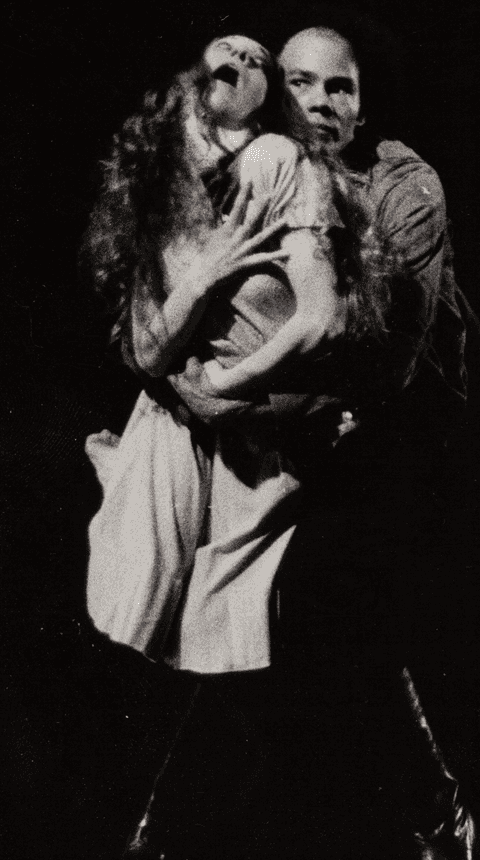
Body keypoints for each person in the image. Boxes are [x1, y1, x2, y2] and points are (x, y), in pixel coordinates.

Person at [166, 24, 480, 860]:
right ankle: (435, 823)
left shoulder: (406, 188)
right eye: (302, 85)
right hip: (312, 436)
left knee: (305, 604)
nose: (323, 104)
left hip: (427, 441)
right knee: (289, 613)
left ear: (362, 103)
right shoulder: (253, 184)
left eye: (342, 88)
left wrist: (253, 399)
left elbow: (388, 355)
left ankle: (170, 835)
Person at [82, 34, 391, 677]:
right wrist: (202, 276)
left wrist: (225, 384)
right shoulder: (158, 184)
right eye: (231, 50)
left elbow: (322, 323)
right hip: (175, 422)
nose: (245, 61)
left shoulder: (278, 160)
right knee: (130, 612)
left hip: (261, 436)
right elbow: (146, 354)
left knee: (219, 637)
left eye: (259, 61)